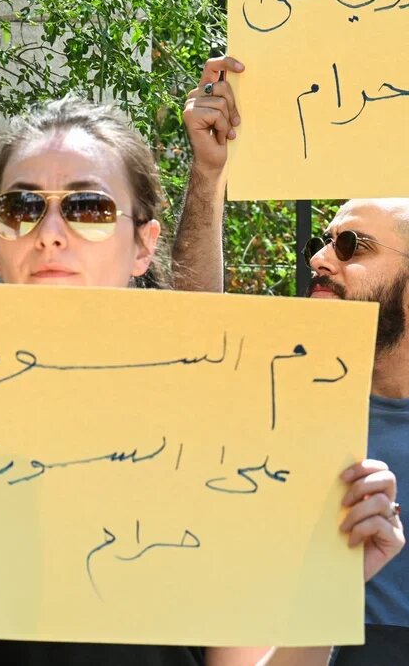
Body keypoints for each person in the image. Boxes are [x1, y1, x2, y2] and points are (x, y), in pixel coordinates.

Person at [0, 97, 404, 666]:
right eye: (22, 207)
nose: (49, 231)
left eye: (87, 208)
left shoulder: (227, 435)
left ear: (143, 245)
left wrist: (330, 587)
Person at [173, 57, 409, 664]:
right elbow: (193, 338)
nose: (320, 260)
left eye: (351, 245)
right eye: (322, 241)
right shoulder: (287, 389)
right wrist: (207, 172)